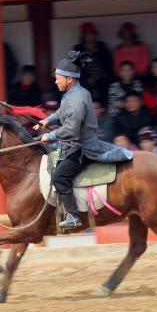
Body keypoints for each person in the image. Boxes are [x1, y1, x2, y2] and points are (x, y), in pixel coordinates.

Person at [36, 51, 133, 230]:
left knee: (59, 177)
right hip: (75, 143)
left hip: (81, 148)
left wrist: (49, 136)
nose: (55, 81)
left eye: (58, 78)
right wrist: (48, 120)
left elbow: (71, 129)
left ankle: (73, 216)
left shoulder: (76, 99)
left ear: (69, 79)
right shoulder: (76, 93)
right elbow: (62, 112)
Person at [73, 22, 113, 102]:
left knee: (105, 84)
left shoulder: (102, 46)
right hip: (84, 79)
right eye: (88, 34)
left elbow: (108, 64)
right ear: (83, 36)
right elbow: (73, 67)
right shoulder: (77, 48)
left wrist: (95, 52)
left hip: (101, 78)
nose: (91, 36)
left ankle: (102, 108)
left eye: (93, 34)